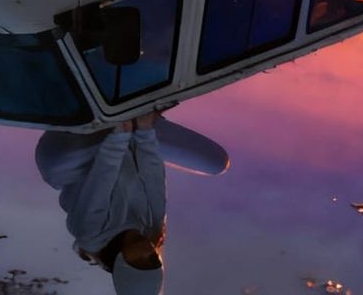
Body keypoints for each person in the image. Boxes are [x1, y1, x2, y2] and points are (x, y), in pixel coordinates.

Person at [35, 112, 228, 293]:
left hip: (70, 159)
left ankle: (108, 117)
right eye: (153, 260)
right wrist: (145, 132)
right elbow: (153, 177)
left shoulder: (90, 233)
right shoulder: (152, 230)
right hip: (123, 147)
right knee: (216, 162)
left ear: (121, 266)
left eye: (140, 262)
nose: (147, 253)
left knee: (91, 138)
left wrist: (120, 134)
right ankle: (134, 115)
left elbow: (102, 178)